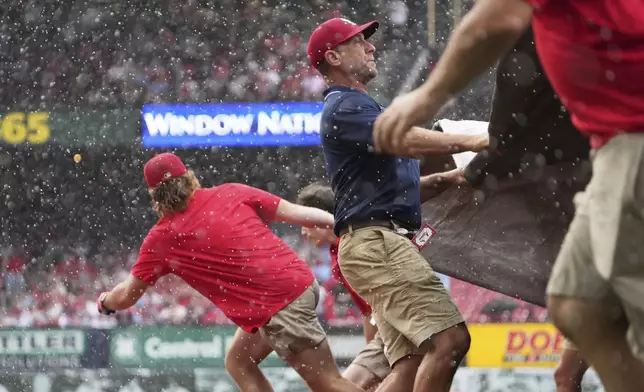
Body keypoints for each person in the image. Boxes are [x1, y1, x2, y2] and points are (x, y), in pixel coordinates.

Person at [371, 1, 644, 392]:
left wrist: (426, 97)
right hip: (611, 144)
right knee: (578, 305)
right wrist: (492, 160)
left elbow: (500, 20)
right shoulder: (566, 32)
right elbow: (539, 98)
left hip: (633, 138)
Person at [307, 17, 488, 392]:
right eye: (360, 42)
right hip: (377, 244)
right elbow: (404, 139)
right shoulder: (346, 106)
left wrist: (446, 179)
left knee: (411, 361)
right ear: (334, 56)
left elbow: (389, 190)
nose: (372, 47)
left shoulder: (358, 106)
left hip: (375, 242)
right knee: (451, 341)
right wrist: (472, 141)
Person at [96, 152, 365, 392]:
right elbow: (299, 213)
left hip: (279, 304)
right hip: (301, 283)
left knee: (328, 384)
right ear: (189, 178)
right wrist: (347, 222)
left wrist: (105, 302)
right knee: (239, 361)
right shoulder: (230, 191)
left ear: (155, 195)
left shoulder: (162, 238)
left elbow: (127, 296)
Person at [296, 182, 389, 392]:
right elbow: (369, 309)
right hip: (389, 332)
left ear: (320, 219)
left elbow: (377, 304)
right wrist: (374, 352)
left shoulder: (353, 244)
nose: (302, 232)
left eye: (305, 223)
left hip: (400, 327)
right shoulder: (337, 251)